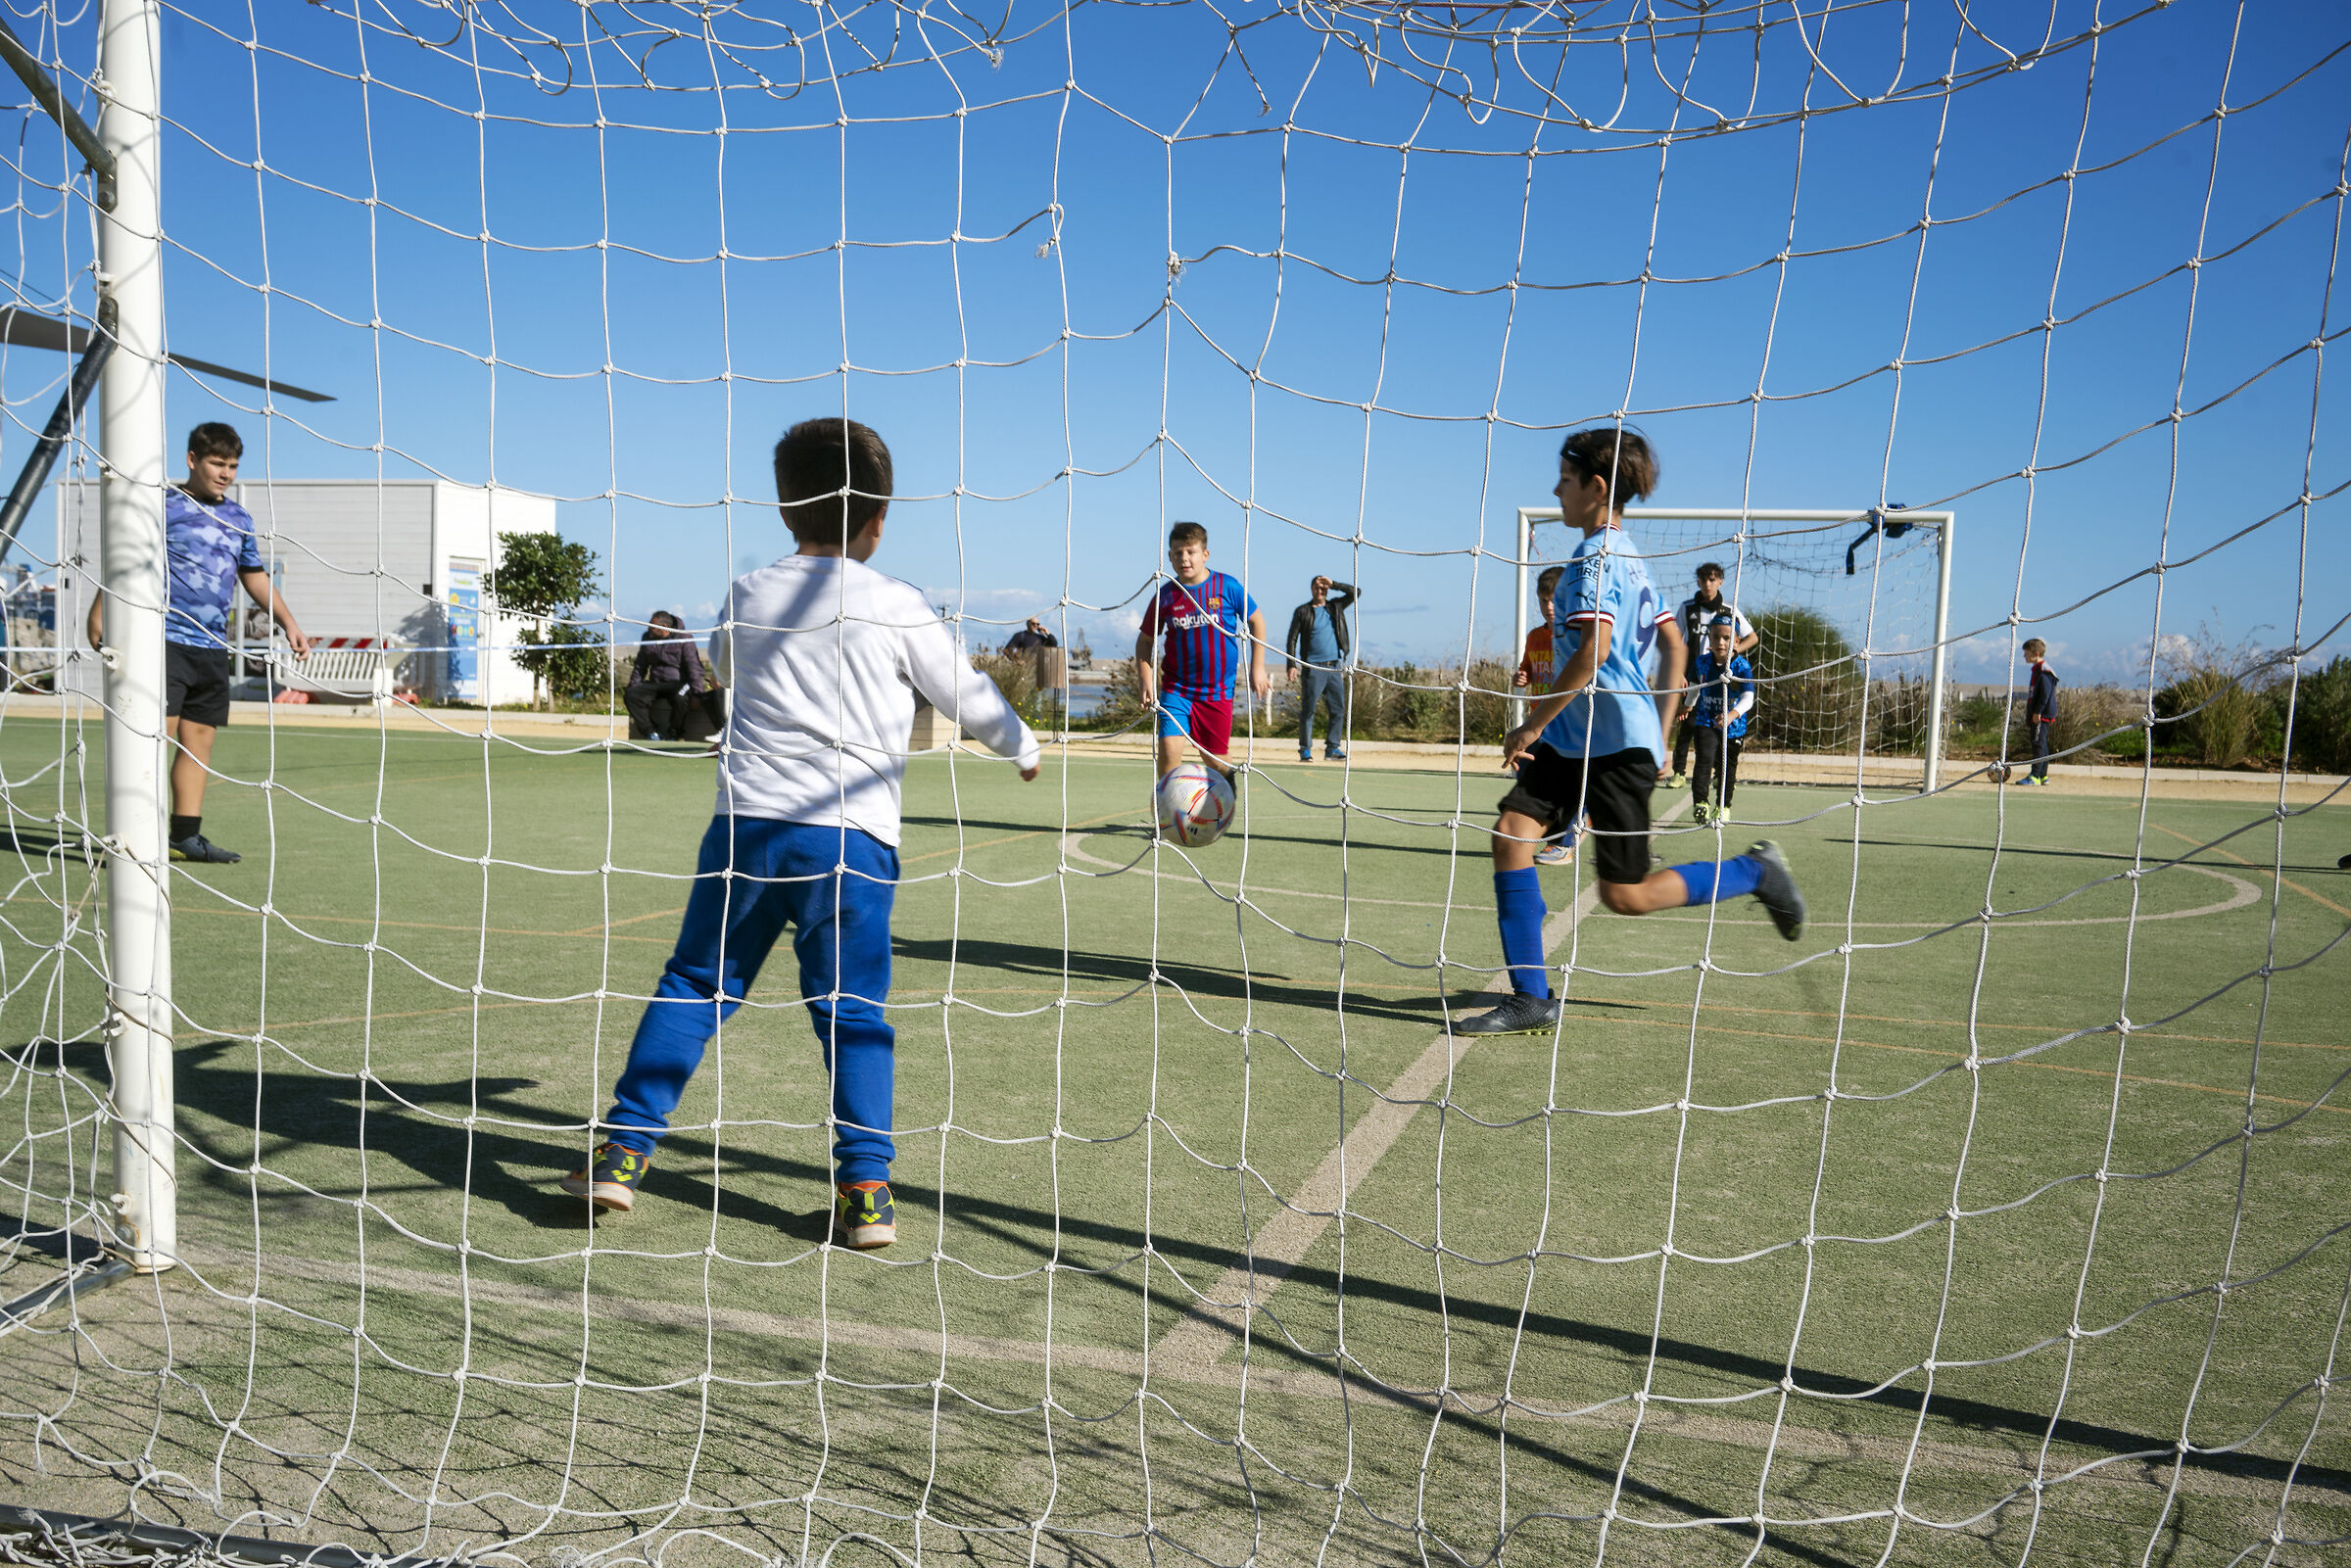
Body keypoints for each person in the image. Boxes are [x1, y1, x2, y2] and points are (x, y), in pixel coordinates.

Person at [559, 417, 1041, 1248]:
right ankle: (867, 1197)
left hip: (748, 827)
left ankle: (622, 1156)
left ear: (785, 510)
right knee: (854, 1012)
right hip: (851, 841)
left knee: (693, 986)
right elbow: (968, 695)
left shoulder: (747, 594)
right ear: (880, 520)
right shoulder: (897, 604)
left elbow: (731, 668)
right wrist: (1022, 747)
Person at [1455, 428, 1806, 1036]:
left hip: (1612, 749)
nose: (1555, 490)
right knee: (1512, 836)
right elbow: (1672, 643)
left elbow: (1594, 650)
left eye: (1564, 480)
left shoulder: (1596, 560)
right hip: (1579, 741)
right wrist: (1663, 729)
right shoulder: (1630, 556)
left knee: (1627, 895)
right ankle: (1531, 997)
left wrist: (1529, 726)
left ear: (1596, 488)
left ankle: (1755, 872)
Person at [84, 422, 312, 865]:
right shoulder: (162, 506)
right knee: (153, 739)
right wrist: (98, 613)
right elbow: (123, 560)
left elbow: (254, 576)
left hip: (211, 648)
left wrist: (287, 620)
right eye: (216, 464)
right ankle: (129, 834)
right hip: (163, 641)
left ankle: (185, 836)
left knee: (199, 740)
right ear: (192, 460)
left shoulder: (239, 518)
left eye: (232, 466)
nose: (225, 473)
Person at [1134, 521, 1270, 786]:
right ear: (1170, 557)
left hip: (1217, 693)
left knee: (1217, 762)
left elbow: (1257, 621)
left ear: (1204, 554)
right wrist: (1144, 677)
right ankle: (1166, 822)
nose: (1184, 558)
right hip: (1177, 690)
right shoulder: (1166, 596)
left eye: (1190, 551)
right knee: (1170, 754)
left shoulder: (1227, 587)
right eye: (1177, 553)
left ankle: (1222, 810)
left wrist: (1258, 667)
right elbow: (1144, 640)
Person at [1663, 561, 1757, 788]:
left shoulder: (1729, 609)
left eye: (1712, 579)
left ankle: (1719, 773)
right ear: (1698, 582)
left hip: (1721, 677)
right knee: (1686, 722)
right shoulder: (1687, 608)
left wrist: (1735, 650)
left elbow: (1752, 637)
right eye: (1704, 579)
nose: (1708, 584)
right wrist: (1678, 673)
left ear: (1720, 582)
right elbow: (1675, 641)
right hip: (1693, 675)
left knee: (1719, 725)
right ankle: (1678, 772)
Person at [1514, 565, 1575, 865]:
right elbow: (1528, 666)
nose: (1549, 607)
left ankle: (1563, 843)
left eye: (1554, 600)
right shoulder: (1534, 636)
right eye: (1543, 601)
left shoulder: (1575, 637)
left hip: (1567, 722)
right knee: (1525, 771)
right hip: (1537, 721)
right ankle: (1564, 826)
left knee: (1567, 782)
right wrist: (1522, 675)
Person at [1687, 615, 1754, 827]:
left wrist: (1733, 714)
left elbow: (1748, 697)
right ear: (1709, 638)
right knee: (1704, 760)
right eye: (1716, 637)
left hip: (1733, 728)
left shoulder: (1742, 667)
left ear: (1736, 641)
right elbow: (1694, 685)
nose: (1721, 642)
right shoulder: (1701, 663)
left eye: (1726, 638)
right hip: (1706, 721)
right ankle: (1700, 803)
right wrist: (1687, 704)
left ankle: (1723, 806)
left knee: (1727, 768)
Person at [1283, 573, 1356, 762]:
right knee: (1308, 709)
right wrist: (1292, 664)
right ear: (1311, 589)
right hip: (1312, 666)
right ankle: (1305, 749)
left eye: (1324, 587)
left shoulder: (1336, 607)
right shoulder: (1302, 611)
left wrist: (1334, 584)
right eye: (1317, 586)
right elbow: (1292, 638)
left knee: (1338, 709)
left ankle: (1332, 749)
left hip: (1334, 666)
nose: (1320, 590)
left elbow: (1355, 593)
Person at [625, 610, 710, 740]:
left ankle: (675, 734)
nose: (648, 628)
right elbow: (640, 666)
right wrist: (633, 686)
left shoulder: (684, 638)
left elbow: (694, 667)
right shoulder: (647, 637)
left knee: (680, 698)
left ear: (664, 627)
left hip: (678, 684)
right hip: (656, 683)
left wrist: (697, 694)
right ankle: (651, 732)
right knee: (631, 695)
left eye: (652, 626)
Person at [2022, 638, 2059, 785]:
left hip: (2042, 715)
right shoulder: (2037, 670)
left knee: (2038, 744)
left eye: (2026, 653)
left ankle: (2035, 775)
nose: (2024, 656)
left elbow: (2045, 693)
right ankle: (2043, 775)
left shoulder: (2044, 672)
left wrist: (2038, 712)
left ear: (2036, 653)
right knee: (2041, 743)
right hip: (2039, 713)